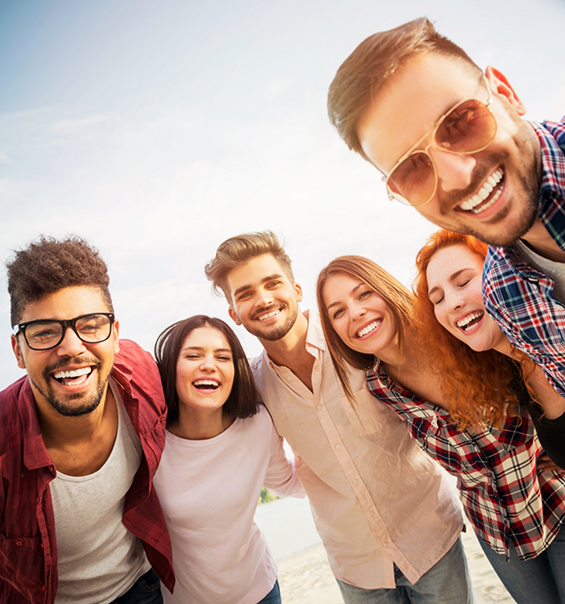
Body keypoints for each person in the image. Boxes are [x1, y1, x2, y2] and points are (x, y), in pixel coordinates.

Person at [205, 231, 473, 604]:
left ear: (297, 290)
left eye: (272, 283)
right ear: (234, 313)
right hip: (355, 564)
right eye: (246, 293)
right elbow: (274, 472)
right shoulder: (252, 386)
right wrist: (327, 486)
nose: (263, 299)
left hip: (430, 537)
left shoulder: (357, 336)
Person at [327, 17, 565, 398]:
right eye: (412, 169)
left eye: (460, 122)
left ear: (506, 94)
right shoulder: (504, 296)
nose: (456, 176)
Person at [317, 253, 565, 604]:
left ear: (388, 292)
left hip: (554, 499)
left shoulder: (457, 333)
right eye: (337, 312)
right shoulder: (381, 387)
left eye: (363, 295)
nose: (355, 312)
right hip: (497, 531)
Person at [0, 236, 174, 604]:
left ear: (114, 333)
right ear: (18, 350)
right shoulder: (3, 443)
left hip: (143, 587)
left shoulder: (141, 377)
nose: (72, 348)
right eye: (45, 332)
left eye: (91, 325)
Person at [152, 315, 303, 604]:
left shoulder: (257, 426)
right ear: (171, 367)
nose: (209, 365)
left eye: (223, 357)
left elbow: (288, 482)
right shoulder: (150, 443)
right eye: (193, 355)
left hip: (259, 591)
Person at [415, 228, 565, 469]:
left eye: (463, 282)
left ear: (501, 275)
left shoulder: (557, 336)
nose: (453, 303)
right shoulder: (514, 377)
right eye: (438, 299)